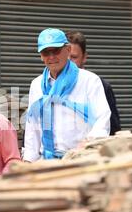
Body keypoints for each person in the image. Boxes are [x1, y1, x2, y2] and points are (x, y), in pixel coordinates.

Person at [23, 28, 111, 162]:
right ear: (41, 55)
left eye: (56, 51)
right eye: (46, 52)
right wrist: (29, 160)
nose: (51, 57)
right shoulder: (36, 85)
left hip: (81, 160)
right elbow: (32, 127)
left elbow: (102, 119)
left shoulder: (89, 80)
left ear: (68, 50)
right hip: (47, 161)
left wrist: (87, 148)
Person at [66, 30, 121, 135]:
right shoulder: (50, 85)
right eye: (66, 57)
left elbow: (113, 129)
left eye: (74, 57)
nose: (69, 63)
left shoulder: (101, 86)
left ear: (84, 57)